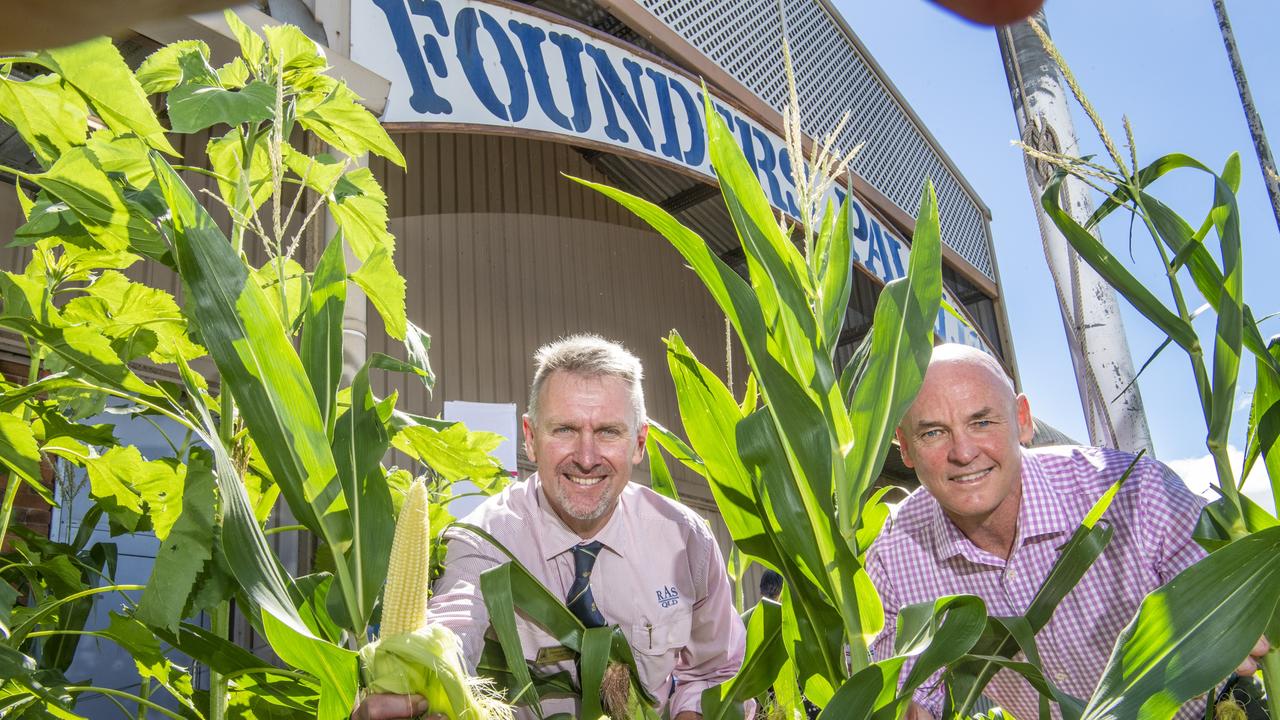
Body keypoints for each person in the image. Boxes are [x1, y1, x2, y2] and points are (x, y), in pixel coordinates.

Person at [867, 343, 1270, 720]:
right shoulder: (893, 556)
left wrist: (1234, 629)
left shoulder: (1134, 491)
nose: (963, 452)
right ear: (904, 446)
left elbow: (1239, 617)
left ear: (1022, 420)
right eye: (932, 432)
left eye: (982, 421)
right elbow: (905, 699)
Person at [355, 334, 746, 720]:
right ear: (530, 438)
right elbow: (456, 622)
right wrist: (425, 676)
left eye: (608, 431)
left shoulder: (686, 540)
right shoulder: (488, 538)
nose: (587, 458)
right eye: (565, 430)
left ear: (639, 443)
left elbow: (717, 671)